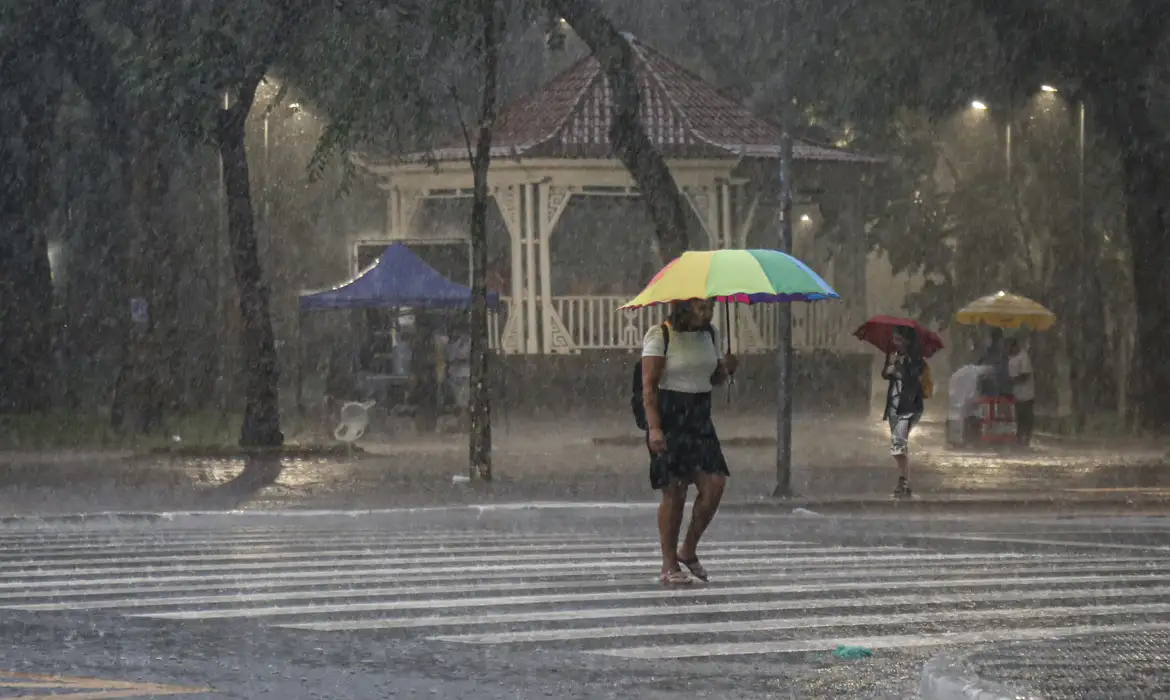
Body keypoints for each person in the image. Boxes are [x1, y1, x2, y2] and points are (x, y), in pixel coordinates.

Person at [641, 299, 737, 586]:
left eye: (710, 308)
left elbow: (714, 378)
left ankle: (688, 548)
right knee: (675, 491)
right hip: (670, 416)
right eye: (701, 308)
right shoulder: (661, 335)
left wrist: (727, 368)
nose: (707, 314)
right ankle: (669, 564)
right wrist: (655, 428)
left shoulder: (711, 335)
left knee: (715, 484)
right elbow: (648, 386)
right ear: (683, 307)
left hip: (699, 416)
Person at [883, 326, 926, 498]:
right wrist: (890, 367)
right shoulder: (893, 356)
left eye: (899, 339)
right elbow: (885, 374)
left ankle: (904, 481)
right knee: (899, 444)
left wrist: (901, 367)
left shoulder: (915, 358)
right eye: (894, 339)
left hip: (909, 406)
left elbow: (914, 377)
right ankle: (904, 480)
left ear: (907, 341)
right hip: (894, 406)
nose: (896, 343)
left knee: (898, 444)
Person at [1008, 337, 1036, 445]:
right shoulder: (1011, 358)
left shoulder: (1023, 357)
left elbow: (1025, 375)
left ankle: (1026, 439)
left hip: (1026, 394)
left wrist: (1012, 381)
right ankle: (1019, 439)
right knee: (1019, 418)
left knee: (1026, 417)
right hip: (1017, 394)